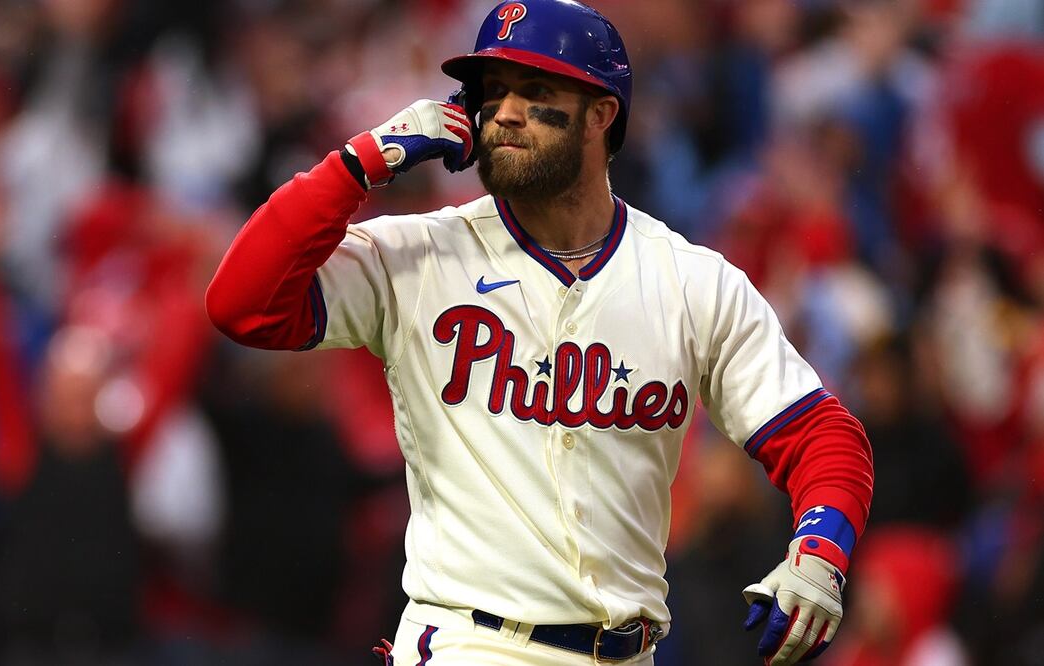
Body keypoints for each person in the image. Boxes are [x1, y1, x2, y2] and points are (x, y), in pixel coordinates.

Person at [206, 1, 874, 664]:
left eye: (535, 91)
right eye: (490, 92)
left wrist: (819, 553)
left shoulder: (690, 282)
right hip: (470, 642)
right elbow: (244, 305)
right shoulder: (416, 257)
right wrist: (353, 167)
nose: (503, 111)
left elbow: (820, 434)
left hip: (625, 652)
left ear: (601, 113)